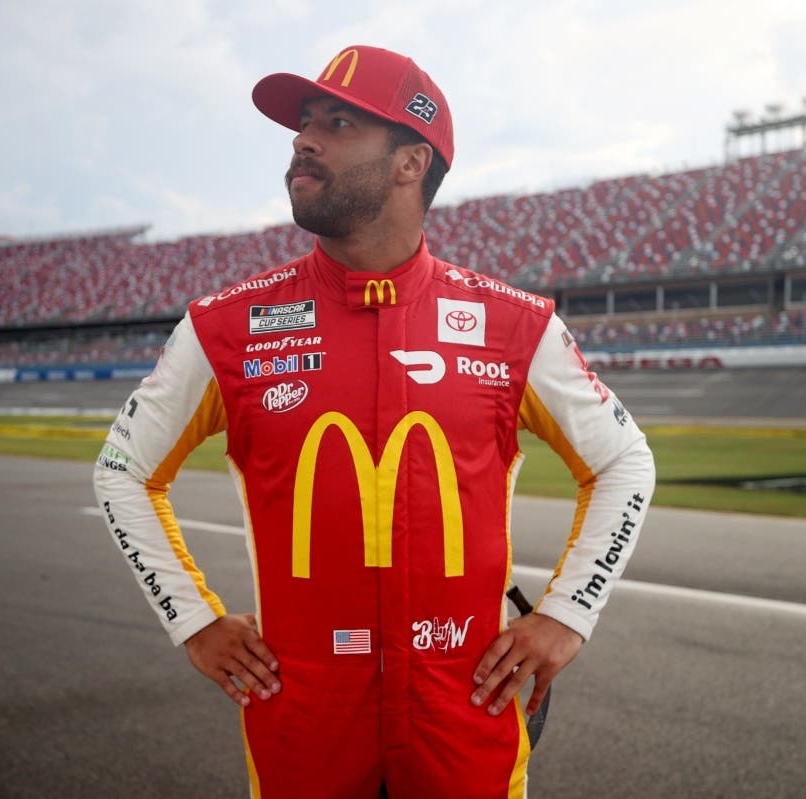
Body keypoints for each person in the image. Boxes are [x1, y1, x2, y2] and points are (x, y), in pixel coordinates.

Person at [94, 44, 655, 799]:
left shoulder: (513, 326)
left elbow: (625, 461)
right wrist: (192, 619)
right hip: (302, 735)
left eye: (337, 122)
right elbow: (121, 469)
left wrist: (568, 612)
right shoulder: (226, 326)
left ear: (409, 162)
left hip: (465, 730)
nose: (302, 139)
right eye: (302, 123)